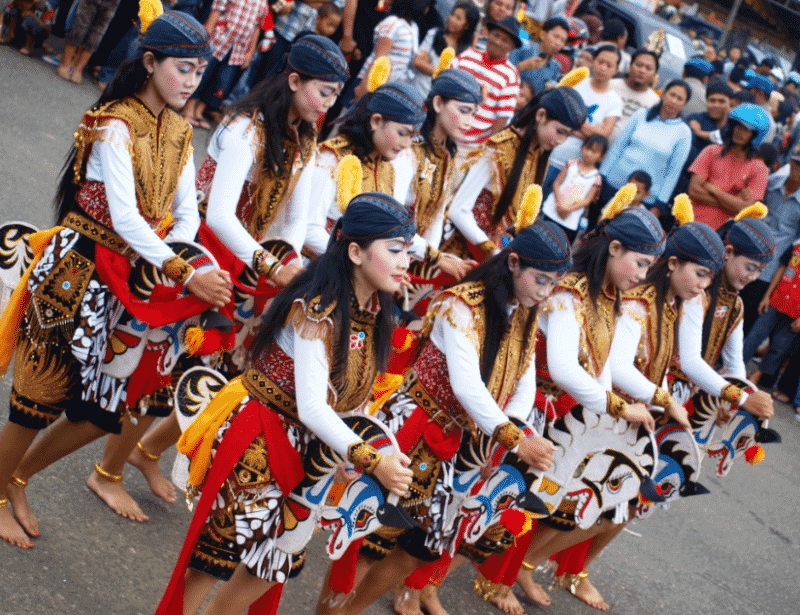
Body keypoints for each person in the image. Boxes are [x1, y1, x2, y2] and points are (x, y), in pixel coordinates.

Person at [89, 34, 351, 523]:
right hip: (204, 253)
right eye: (323, 91)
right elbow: (222, 216)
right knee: (159, 368)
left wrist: (287, 259)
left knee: (224, 374)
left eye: (336, 94)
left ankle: (147, 452)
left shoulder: (306, 136)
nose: (328, 104)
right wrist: (273, 265)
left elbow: (294, 218)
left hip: (248, 263)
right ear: (293, 80)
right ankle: (106, 470)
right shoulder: (245, 129)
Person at [0, 11, 232, 549]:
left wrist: (189, 256)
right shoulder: (114, 122)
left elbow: (186, 211)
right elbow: (124, 217)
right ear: (150, 63)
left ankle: (16, 478)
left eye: (199, 71)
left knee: (100, 413)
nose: (192, 81)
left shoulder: (179, 129)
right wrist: (183, 270)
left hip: (130, 280)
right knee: (35, 402)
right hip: (77, 270)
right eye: (182, 68)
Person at [154, 191, 416, 615]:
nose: (406, 261)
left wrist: (355, 452)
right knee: (215, 557)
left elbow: (353, 396)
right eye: (395, 249)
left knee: (275, 561)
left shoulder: (375, 310)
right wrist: (370, 458)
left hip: (313, 449)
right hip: (261, 436)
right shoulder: (318, 308)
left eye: (409, 250)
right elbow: (313, 406)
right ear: (355, 251)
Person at [336, 215, 573, 615]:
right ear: (513, 262)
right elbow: (466, 386)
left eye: (554, 283)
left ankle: (350, 611)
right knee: (371, 540)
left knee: (420, 550)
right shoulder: (461, 303)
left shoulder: (525, 310)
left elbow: (523, 381)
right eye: (542, 280)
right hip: (416, 431)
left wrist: (512, 431)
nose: (546, 293)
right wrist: (514, 440)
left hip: (468, 441)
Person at [475, 198, 667, 615]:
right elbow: (561, 367)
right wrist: (616, 407)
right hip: (532, 402)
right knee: (498, 496)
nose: (642, 274)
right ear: (614, 248)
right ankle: (458, 580)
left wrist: (606, 414)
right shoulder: (568, 290)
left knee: (539, 499)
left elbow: (598, 365)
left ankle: (504, 573)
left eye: (649, 266)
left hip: (567, 408)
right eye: (639, 262)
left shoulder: (609, 294)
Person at [445, 83, 588, 261]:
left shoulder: (541, 158)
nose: (561, 140)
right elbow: (458, 210)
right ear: (541, 115)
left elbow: (510, 226)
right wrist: (493, 251)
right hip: (458, 249)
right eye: (560, 131)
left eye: (567, 135)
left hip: (492, 251)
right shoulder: (499, 149)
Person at [671, 207, 776, 426]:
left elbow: (734, 364)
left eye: (760, 270)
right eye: (750, 267)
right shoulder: (697, 291)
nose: (754, 277)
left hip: (690, 390)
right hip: (661, 384)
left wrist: (728, 403)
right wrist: (743, 398)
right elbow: (689, 362)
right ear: (727, 253)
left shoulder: (735, 304)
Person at [302, 79, 426, 256]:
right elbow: (309, 228)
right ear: (376, 121)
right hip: (317, 267)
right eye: (402, 133)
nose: (407, 144)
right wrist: (357, 262)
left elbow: (389, 229)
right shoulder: (333, 158)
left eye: (412, 136)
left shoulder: (387, 168)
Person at [405, 67, 483, 288]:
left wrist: (431, 259)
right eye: (464, 111)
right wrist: (436, 258)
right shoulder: (410, 149)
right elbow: (394, 216)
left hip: (418, 257)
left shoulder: (449, 154)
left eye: (473, 114)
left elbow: (437, 215)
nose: (470, 121)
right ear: (438, 104)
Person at [599, 80, 692, 220]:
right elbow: (618, 147)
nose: (673, 101)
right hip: (614, 183)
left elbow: (673, 173)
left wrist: (659, 205)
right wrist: (601, 177)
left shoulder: (683, 132)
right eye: (672, 94)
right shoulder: (641, 114)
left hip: (645, 198)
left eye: (680, 99)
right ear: (663, 94)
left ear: (684, 104)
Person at [543, 43, 622, 198]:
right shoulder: (577, 82)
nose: (603, 68)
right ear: (593, 62)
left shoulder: (615, 101)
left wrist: (572, 123)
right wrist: (590, 130)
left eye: (609, 65)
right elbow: (557, 112)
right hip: (550, 155)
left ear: (616, 70)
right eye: (600, 62)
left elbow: (602, 135)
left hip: (575, 170)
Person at [739, 149, 800, 334]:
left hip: (770, 267)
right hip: (748, 251)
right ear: (790, 161)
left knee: (748, 315)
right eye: (797, 163)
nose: (798, 169)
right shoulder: (771, 182)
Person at [181, 0, 270, 128]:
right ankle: (188, 108)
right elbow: (217, 8)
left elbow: (257, 27)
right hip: (219, 38)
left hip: (238, 48)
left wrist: (250, 52)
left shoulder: (262, 3)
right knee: (204, 73)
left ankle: (200, 110)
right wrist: (208, 29)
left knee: (221, 80)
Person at [689, 103, 771, 229]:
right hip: (690, 223)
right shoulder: (711, 150)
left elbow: (744, 208)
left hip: (722, 235)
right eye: (737, 126)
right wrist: (733, 201)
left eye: (746, 129)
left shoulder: (760, 169)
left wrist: (712, 188)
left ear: (755, 135)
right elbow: (694, 191)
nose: (739, 131)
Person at [451, 15, 521, 147]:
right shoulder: (467, 55)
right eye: (496, 35)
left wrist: (486, 149)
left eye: (505, 40)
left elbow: (502, 118)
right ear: (488, 34)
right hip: (445, 133)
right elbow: (445, 84)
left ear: (511, 48)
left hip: (471, 147)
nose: (498, 42)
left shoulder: (511, 76)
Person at [742, 237, 800, 396]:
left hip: (795, 312)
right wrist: (767, 296)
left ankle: (756, 376)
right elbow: (782, 269)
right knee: (754, 336)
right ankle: (737, 369)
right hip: (776, 300)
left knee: (778, 348)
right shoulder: (796, 245)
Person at [351, 0, 429, 102]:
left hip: (385, 89)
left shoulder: (414, 28)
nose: (427, 9)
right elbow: (379, 58)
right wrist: (362, 90)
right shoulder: (393, 23)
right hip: (370, 83)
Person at [541, 134, 606, 243]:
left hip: (570, 217)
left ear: (601, 157)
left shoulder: (596, 177)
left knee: (561, 243)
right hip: (554, 208)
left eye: (594, 152)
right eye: (587, 148)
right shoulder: (570, 164)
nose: (588, 153)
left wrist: (567, 209)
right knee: (542, 234)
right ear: (582, 147)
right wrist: (560, 204)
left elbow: (587, 200)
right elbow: (556, 184)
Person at [409, 1, 480, 98]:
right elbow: (417, 62)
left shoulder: (467, 51)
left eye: (458, 18)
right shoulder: (434, 34)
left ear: (467, 26)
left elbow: (458, 81)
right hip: (417, 91)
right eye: (452, 15)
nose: (452, 19)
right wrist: (446, 75)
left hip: (439, 98)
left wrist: (428, 67)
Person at [507, 15, 568, 95]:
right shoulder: (522, 49)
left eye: (563, 41)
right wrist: (521, 67)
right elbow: (503, 75)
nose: (558, 43)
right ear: (543, 35)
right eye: (556, 37)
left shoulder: (556, 67)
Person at [608, 49, 660, 143]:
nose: (642, 71)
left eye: (648, 68)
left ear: (654, 75)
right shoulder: (610, 86)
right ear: (630, 66)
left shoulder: (655, 102)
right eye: (639, 65)